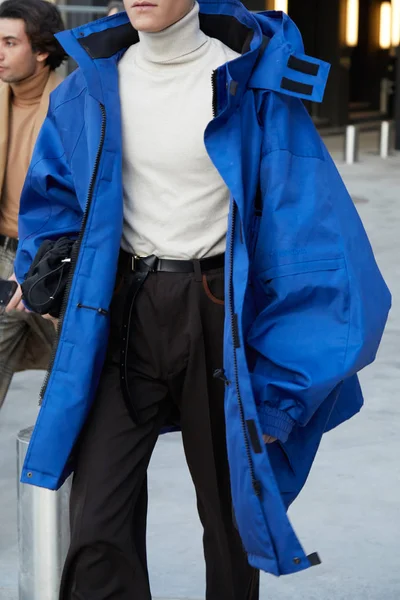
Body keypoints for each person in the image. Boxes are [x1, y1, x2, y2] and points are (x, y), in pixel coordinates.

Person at [14, 0, 391, 598]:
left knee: (228, 518)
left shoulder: (255, 86)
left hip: (221, 314)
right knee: (97, 518)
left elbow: (314, 243)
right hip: (121, 312)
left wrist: (281, 396)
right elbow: (52, 197)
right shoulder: (89, 86)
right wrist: (47, 271)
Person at [0, 0, 66, 409]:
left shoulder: (76, 105)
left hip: (59, 265)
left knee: (69, 401)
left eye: (9, 42)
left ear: (42, 50)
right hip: (4, 259)